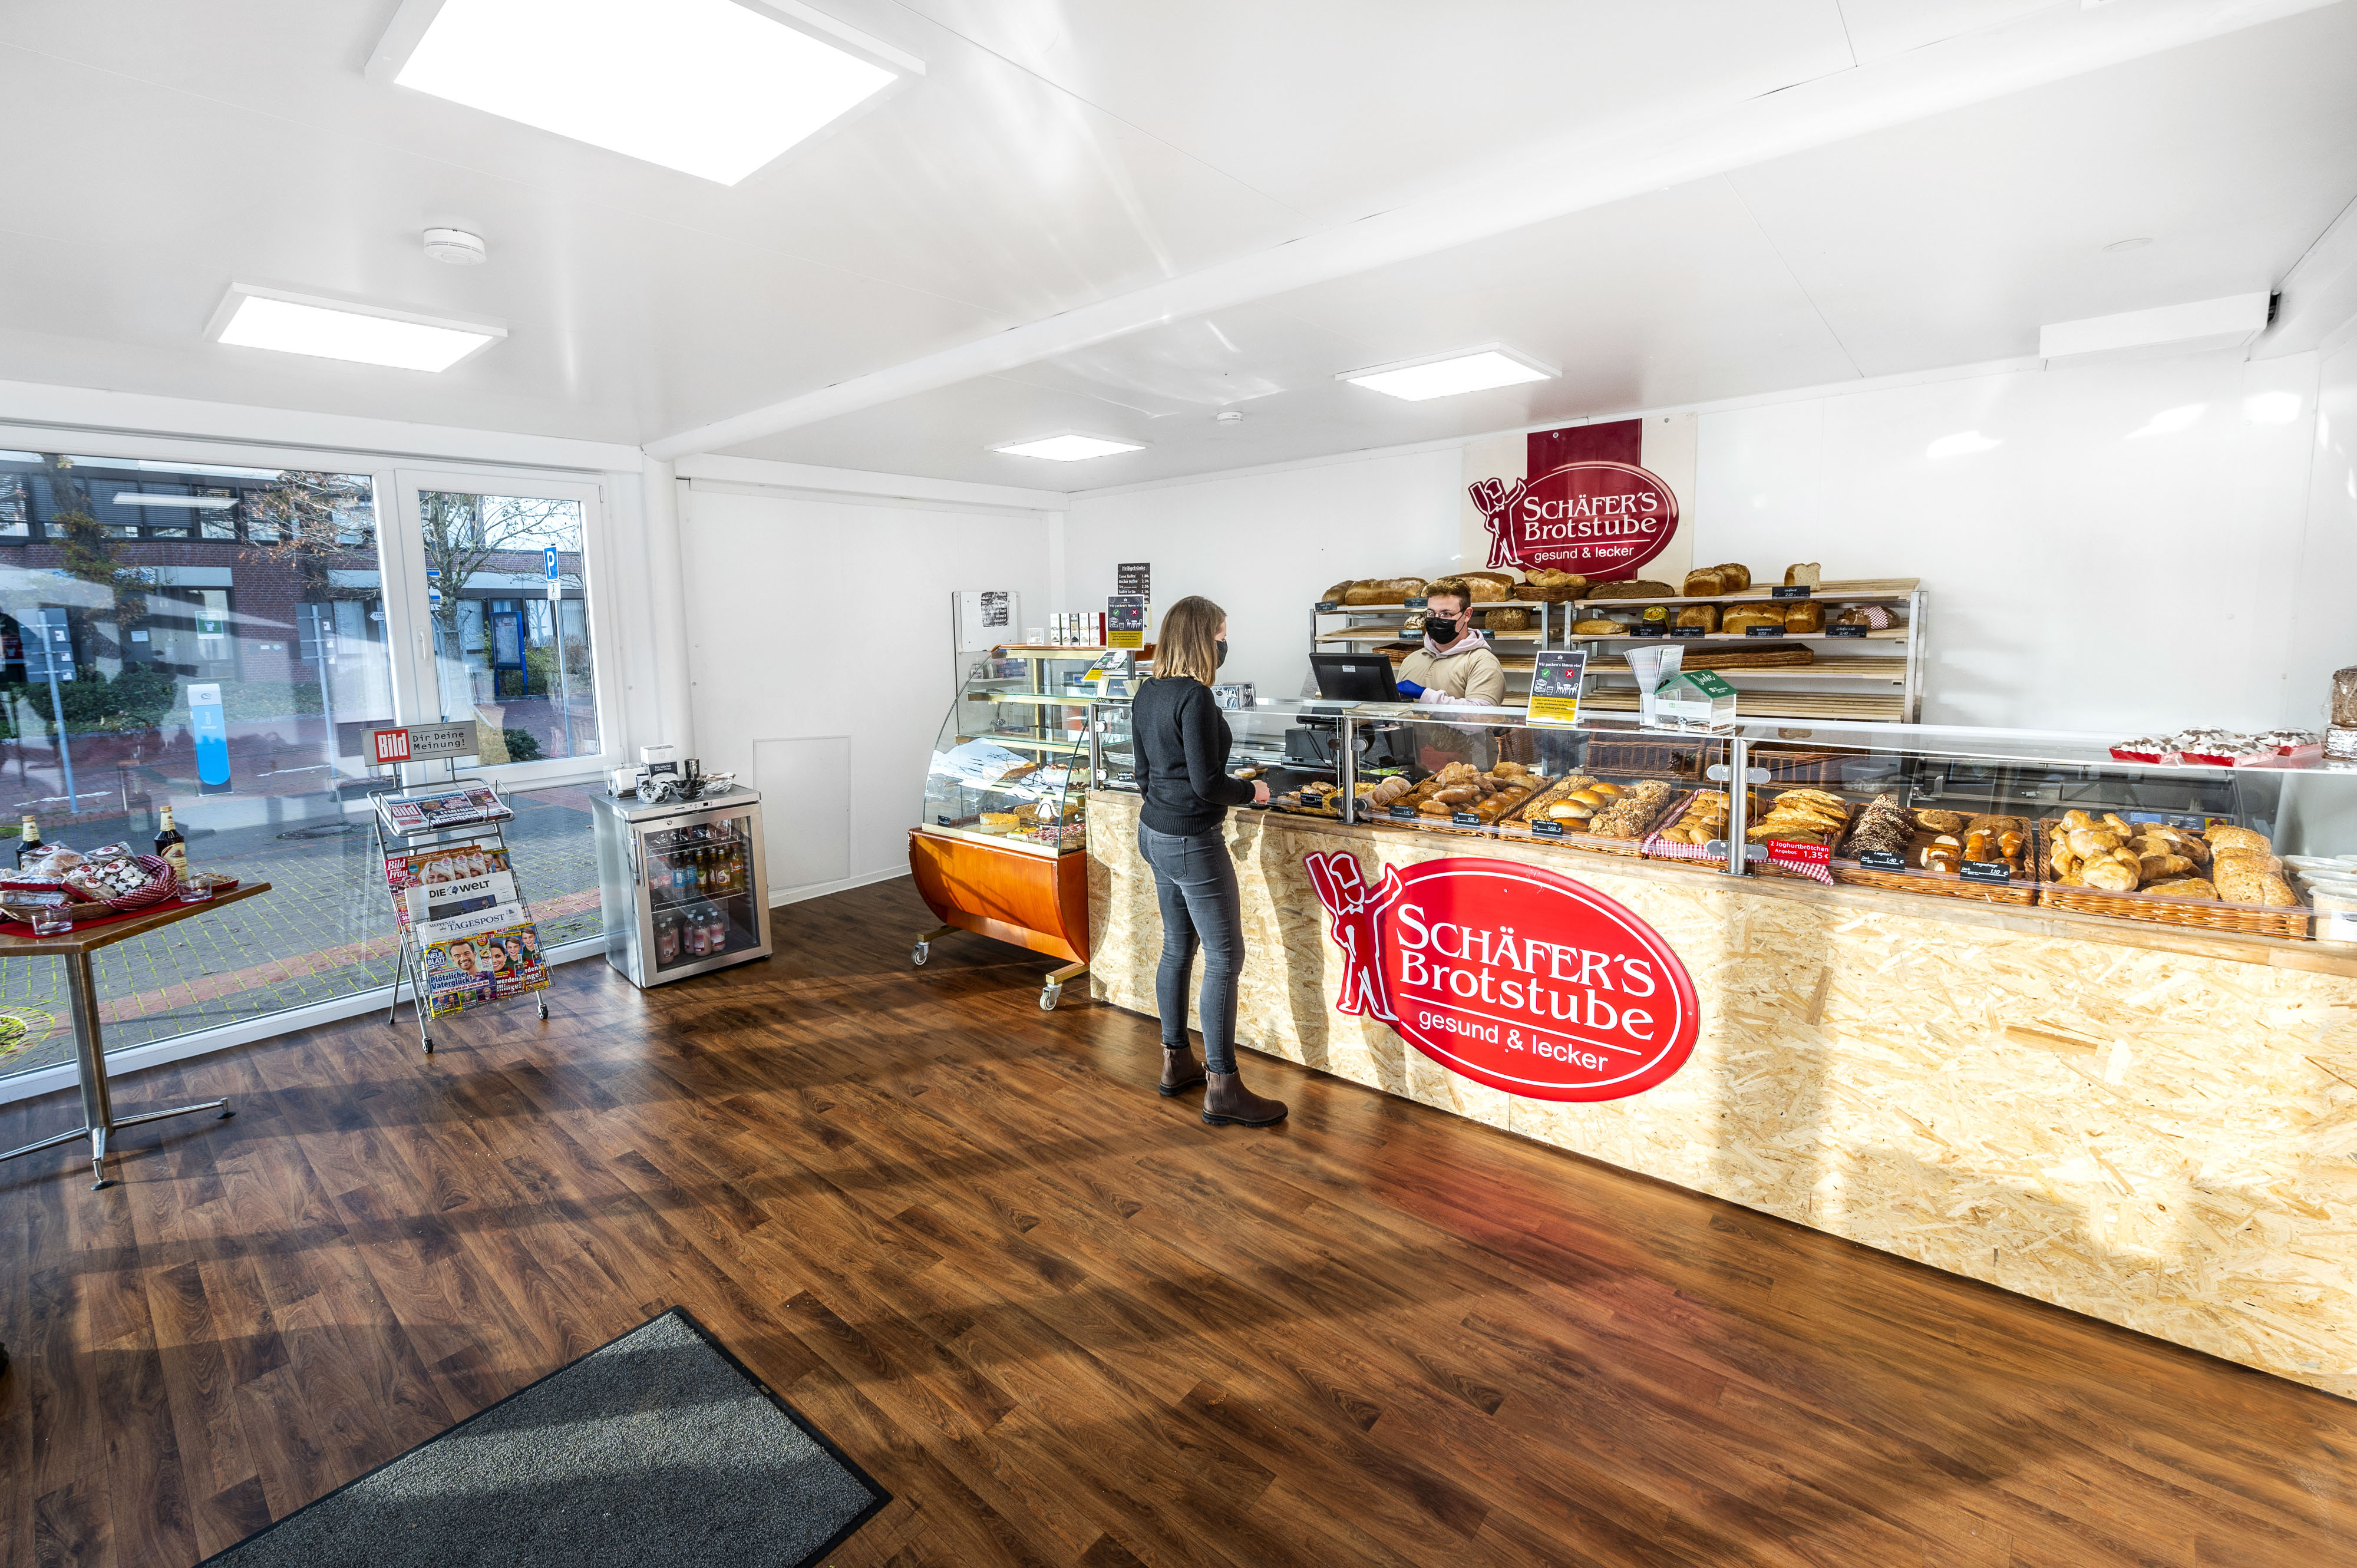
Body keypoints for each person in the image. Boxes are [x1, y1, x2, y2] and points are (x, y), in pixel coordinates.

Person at [1129, 595, 1289, 1127]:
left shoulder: (1148, 691)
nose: (1225, 643)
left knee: (1177, 947)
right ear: (1203, 638)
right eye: (1222, 634)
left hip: (1154, 831)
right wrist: (1252, 791)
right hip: (1192, 841)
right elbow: (1207, 785)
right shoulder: (1195, 696)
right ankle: (1222, 1086)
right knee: (1224, 957)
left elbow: (1144, 775)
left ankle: (1176, 1063)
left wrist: (1173, 801)